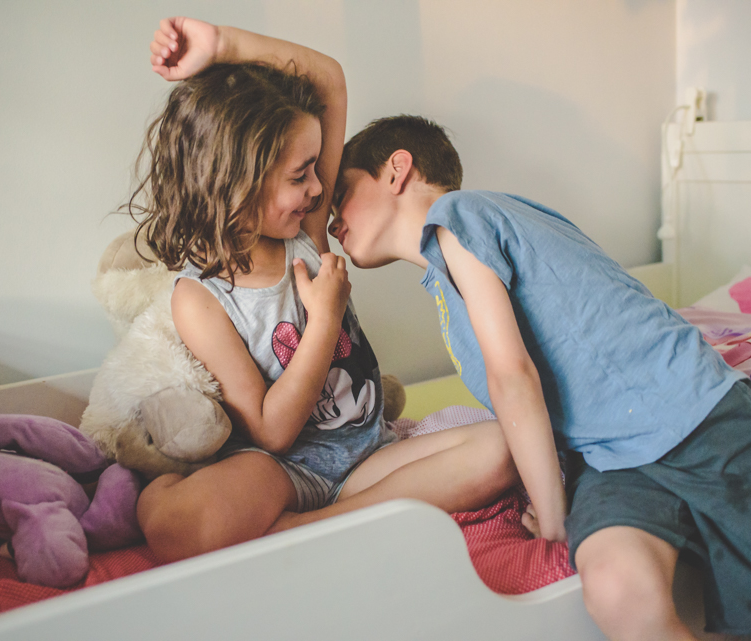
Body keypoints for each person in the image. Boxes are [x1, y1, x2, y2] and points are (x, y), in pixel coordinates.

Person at [327, 114, 751, 640]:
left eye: (342, 191)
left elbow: (514, 378)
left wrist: (549, 513)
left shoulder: (459, 215)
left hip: (696, 420)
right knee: (616, 587)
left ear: (396, 170)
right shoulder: (445, 279)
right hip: (614, 461)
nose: (333, 218)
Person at [134, 19, 516, 563]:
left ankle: (309, 530)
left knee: (502, 449)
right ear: (238, 181)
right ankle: (287, 515)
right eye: (301, 175)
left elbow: (329, 81)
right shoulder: (200, 298)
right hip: (286, 473)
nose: (320, 191)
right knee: (185, 529)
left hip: (367, 456)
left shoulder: (305, 238)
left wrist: (222, 45)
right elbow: (270, 433)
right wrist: (325, 319)